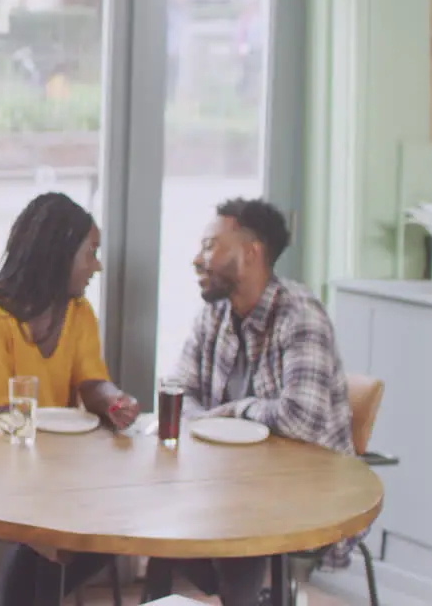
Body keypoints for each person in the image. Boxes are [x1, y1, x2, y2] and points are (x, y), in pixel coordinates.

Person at [143, 198, 355, 606]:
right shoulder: (215, 313)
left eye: (209, 246)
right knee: (158, 522)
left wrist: (232, 411)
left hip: (303, 491)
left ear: (252, 252)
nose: (196, 259)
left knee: (234, 534)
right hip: (232, 485)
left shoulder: (299, 315)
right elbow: (179, 391)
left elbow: (302, 419)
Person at [0, 192, 140, 605]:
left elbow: (92, 381)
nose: (97, 265)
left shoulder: (78, 312)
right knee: (57, 532)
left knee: (122, 520)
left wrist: (113, 399)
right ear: (59, 253)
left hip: (53, 473)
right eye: (91, 253)